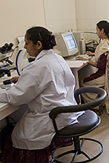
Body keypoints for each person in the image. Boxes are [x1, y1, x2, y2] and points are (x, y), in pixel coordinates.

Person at [0, 26, 84, 163]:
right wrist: (24, 79)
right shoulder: (57, 58)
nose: (25, 47)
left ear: (38, 44)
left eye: (27, 43)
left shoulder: (37, 67)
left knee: (17, 136)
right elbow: (50, 80)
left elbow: (14, 98)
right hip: (65, 112)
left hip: (50, 118)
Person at [76, 20, 109, 115]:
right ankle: (99, 102)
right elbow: (107, 56)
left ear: (102, 30)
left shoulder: (104, 44)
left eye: (97, 30)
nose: (96, 32)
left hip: (105, 75)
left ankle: (95, 105)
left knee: (83, 82)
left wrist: (87, 60)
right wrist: (93, 54)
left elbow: (101, 65)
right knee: (88, 79)